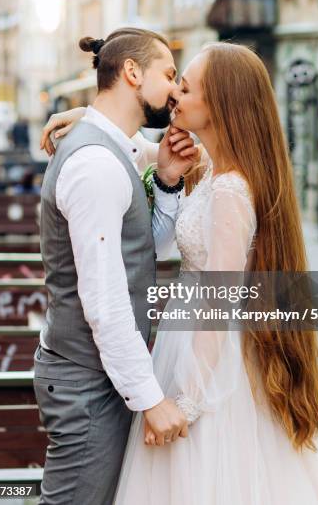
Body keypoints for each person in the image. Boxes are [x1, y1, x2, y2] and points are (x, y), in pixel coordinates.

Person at [41, 42, 318, 504]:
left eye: (186, 87)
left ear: (219, 105)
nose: (174, 94)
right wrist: (90, 121)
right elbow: (143, 152)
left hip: (209, 360)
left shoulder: (232, 188)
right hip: (183, 344)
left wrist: (188, 403)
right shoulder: (213, 168)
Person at [34, 27, 199, 505]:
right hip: (86, 379)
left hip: (98, 374)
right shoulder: (96, 164)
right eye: (169, 74)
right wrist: (150, 398)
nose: (173, 88)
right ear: (132, 72)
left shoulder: (114, 149)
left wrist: (167, 179)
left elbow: (141, 252)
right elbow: (104, 300)